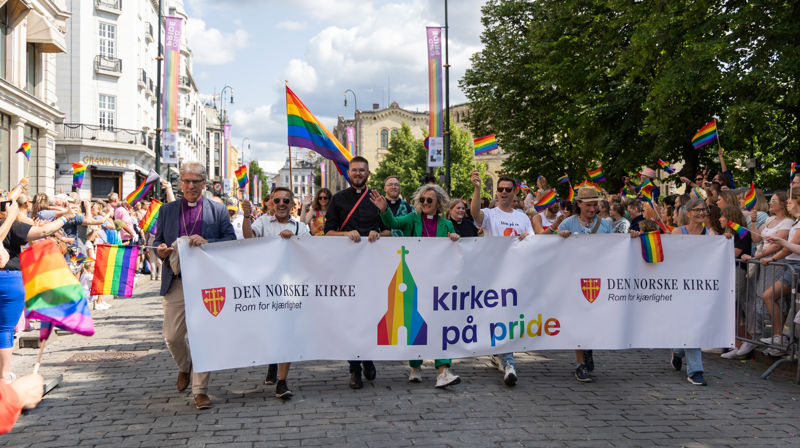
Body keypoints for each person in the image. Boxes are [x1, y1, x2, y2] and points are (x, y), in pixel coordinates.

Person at [153, 162, 236, 410]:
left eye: (195, 182)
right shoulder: (167, 210)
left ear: (204, 184)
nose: (190, 186)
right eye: (186, 181)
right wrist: (161, 250)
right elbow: (158, 240)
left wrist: (209, 241)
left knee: (204, 336)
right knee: (172, 336)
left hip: (207, 283)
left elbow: (230, 241)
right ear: (180, 184)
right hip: (176, 280)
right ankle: (184, 366)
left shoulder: (217, 211)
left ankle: (200, 390)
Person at [370, 184, 462, 388]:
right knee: (414, 322)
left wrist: (454, 239)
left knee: (439, 322)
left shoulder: (446, 225)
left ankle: (443, 370)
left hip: (438, 280)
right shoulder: (412, 219)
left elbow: (454, 248)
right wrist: (384, 209)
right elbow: (392, 222)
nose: (426, 203)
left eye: (430, 200)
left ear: (438, 203)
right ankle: (415, 365)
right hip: (415, 278)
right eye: (422, 200)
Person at [324, 156, 389, 389]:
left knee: (371, 314)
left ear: (368, 173)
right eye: (354, 170)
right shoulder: (338, 200)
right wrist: (345, 234)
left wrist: (378, 234)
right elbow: (328, 233)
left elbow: (390, 230)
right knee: (351, 317)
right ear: (348, 173)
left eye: (362, 170)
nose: (358, 174)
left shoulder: (378, 199)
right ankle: (354, 368)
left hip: (373, 266)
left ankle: (368, 356)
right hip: (347, 267)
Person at [243, 188, 309, 399]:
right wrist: (246, 216)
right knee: (269, 331)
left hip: (290, 288)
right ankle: (272, 360)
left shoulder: (302, 227)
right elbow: (248, 239)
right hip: (265, 288)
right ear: (271, 202)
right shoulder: (262, 222)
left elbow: (311, 252)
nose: (281, 203)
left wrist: (295, 240)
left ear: (292, 204)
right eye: (277, 200)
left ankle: (282, 381)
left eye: (286, 200)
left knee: (286, 332)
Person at [470, 169, 532, 386]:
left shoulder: (523, 218)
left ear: (515, 193)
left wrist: (527, 239)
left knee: (507, 317)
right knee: (501, 316)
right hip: (494, 274)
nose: (503, 192)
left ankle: (503, 356)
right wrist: (477, 189)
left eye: (508, 189)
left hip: (515, 275)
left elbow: (533, 245)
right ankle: (508, 362)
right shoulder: (490, 214)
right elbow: (475, 215)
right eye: (500, 189)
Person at [1, 180, 67, 382]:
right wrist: (66, 218)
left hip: (11, 280)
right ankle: (3, 375)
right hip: (10, 281)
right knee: (4, 330)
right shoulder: (13, 225)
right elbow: (43, 233)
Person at [558, 187, 612, 382]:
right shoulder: (568, 223)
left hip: (597, 280)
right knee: (578, 320)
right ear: (579, 204)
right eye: (588, 205)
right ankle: (580, 363)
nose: (592, 208)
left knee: (594, 320)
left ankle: (588, 346)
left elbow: (615, 249)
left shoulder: (605, 225)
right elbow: (555, 251)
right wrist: (560, 238)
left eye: (595, 204)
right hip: (574, 279)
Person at [669, 197, 714, 386]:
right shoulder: (678, 232)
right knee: (689, 326)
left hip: (700, 287)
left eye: (703, 209)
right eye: (696, 210)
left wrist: (725, 241)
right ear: (688, 213)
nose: (701, 213)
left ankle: (678, 350)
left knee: (692, 326)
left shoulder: (710, 234)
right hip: (680, 286)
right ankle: (695, 370)